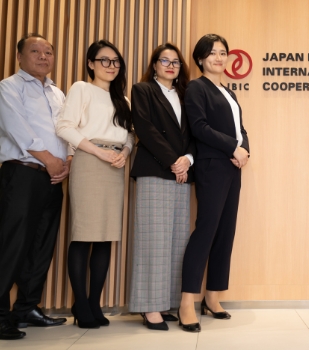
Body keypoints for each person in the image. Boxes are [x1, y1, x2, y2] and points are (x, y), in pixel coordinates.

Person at [56, 40, 134, 329]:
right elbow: (64, 126)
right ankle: (80, 303)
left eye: (116, 62)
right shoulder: (81, 88)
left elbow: (129, 135)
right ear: (91, 63)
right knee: (83, 235)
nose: (111, 66)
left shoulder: (123, 100)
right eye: (104, 60)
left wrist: (124, 153)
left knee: (106, 236)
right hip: (89, 161)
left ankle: (93, 302)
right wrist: (100, 152)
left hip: (115, 167)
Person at [178, 34, 249, 333]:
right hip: (211, 165)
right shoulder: (196, 87)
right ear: (200, 58)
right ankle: (186, 303)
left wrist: (245, 151)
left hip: (232, 167)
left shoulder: (229, 93)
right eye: (212, 53)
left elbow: (240, 128)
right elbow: (199, 127)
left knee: (225, 232)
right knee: (206, 231)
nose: (219, 58)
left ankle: (213, 297)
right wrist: (234, 147)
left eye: (223, 53)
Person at [0, 34, 69, 340]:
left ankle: (26, 308)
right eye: (35, 51)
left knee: (42, 245)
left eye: (49, 52)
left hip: (54, 178)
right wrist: (49, 160)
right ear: (20, 56)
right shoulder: (8, 88)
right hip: (22, 174)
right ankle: (1, 315)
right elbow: (18, 129)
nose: (43, 56)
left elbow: (66, 131)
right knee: (11, 245)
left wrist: (64, 163)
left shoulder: (58, 93)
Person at [129, 43, 195, 330]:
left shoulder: (186, 94)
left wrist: (188, 160)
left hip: (182, 172)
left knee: (177, 241)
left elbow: (193, 132)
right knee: (153, 240)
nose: (170, 65)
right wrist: (173, 161)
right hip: (156, 170)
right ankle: (149, 307)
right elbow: (144, 128)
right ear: (154, 64)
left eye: (175, 62)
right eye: (164, 60)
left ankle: (166, 302)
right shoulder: (143, 90)